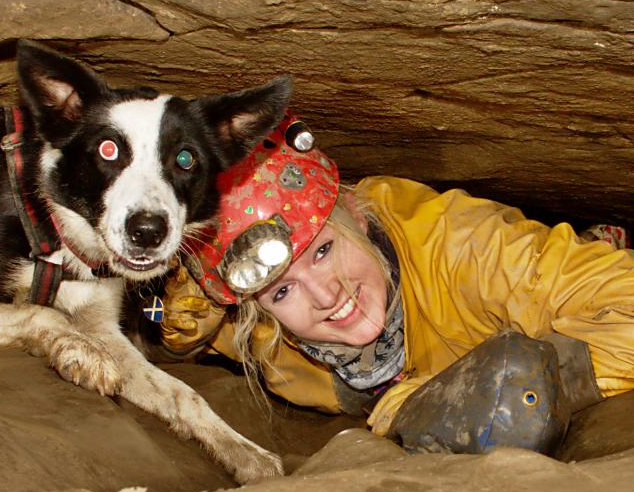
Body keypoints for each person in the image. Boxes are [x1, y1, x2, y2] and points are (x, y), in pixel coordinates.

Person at [156, 112, 634, 455]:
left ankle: (595, 241)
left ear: (359, 218)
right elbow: (181, 335)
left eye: (323, 251)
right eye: (282, 290)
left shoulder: (464, 247)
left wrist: (511, 386)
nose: (328, 298)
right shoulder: (259, 331)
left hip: (547, 286)